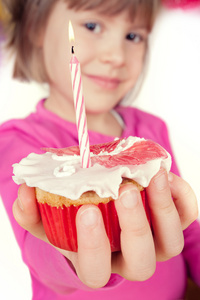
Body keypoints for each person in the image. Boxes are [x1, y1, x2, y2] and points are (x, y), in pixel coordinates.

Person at [0, 0, 199, 299]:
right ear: (35, 28)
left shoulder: (151, 130)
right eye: (92, 26)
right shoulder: (18, 142)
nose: (116, 56)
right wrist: (71, 258)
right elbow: (37, 251)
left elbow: (186, 230)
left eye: (133, 36)